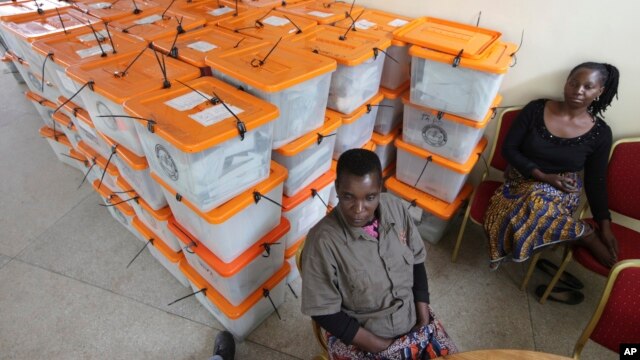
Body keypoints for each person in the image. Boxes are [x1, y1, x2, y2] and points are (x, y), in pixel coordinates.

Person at [300, 149, 457, 359]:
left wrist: (423, 316)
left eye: (370, 197)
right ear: (337, 188)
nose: (358, 209)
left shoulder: (395, 208)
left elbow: (416, 261)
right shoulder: (322, 241)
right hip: (366, 340)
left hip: (414, 318)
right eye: (348, 197)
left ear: (380, 189)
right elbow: (323, 311)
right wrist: (381, 346)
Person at [484, 62, 620, 270]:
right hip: (522, 179)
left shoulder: (600, 133)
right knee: (528, 204)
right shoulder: (536, 109)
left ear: (600, 91)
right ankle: (584, 234)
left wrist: (605, 224)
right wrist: (542, 176)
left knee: (538, 205)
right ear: (566, 83)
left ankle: (584, 230)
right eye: (573, 83)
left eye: (588, 87)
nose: (578, 91)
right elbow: (509, 149)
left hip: (562, 191)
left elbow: (595, 180)